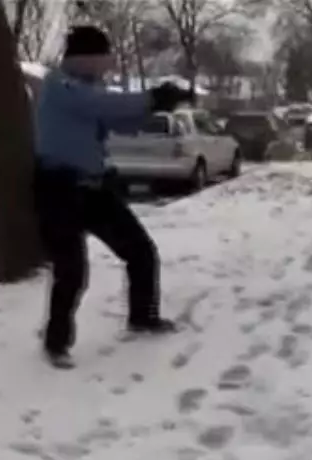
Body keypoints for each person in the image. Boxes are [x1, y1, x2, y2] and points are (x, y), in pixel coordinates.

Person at [32, 24, 194, 369]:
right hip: (57, 187)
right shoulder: (59, 86)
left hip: (94, 186)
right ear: (85, 59)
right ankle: (55, 343)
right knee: (71, 270)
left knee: (140, 251)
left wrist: (157, 107)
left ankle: (143, 317)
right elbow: (101, 105)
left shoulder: (91, 87)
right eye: (103, 60)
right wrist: (151, 97)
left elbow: (115, 119)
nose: (107, 66)